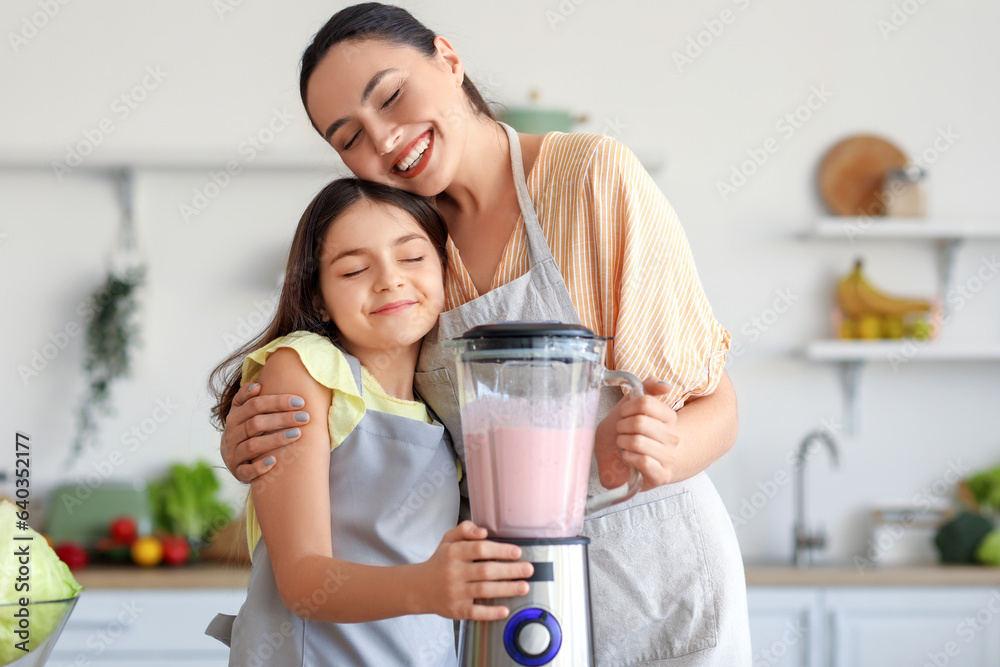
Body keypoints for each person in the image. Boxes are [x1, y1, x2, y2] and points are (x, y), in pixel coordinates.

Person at [220, 3, 752, 665]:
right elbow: (357, 411)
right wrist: (262, 437)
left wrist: (656, 451)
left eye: (390, 95)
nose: (383, 140)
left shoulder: (590, 179)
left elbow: (717, 402)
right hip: (506, 593)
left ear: (447, 58)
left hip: (657, 576)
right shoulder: (411, 253)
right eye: (348, 136)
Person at [204, 178, 534, 666]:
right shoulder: (307, 367)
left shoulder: (442, 407)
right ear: (316, 300)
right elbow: (303, 582)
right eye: (355, 269)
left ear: (445, 270)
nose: (389, 279)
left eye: (413, 257)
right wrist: (426, 586)